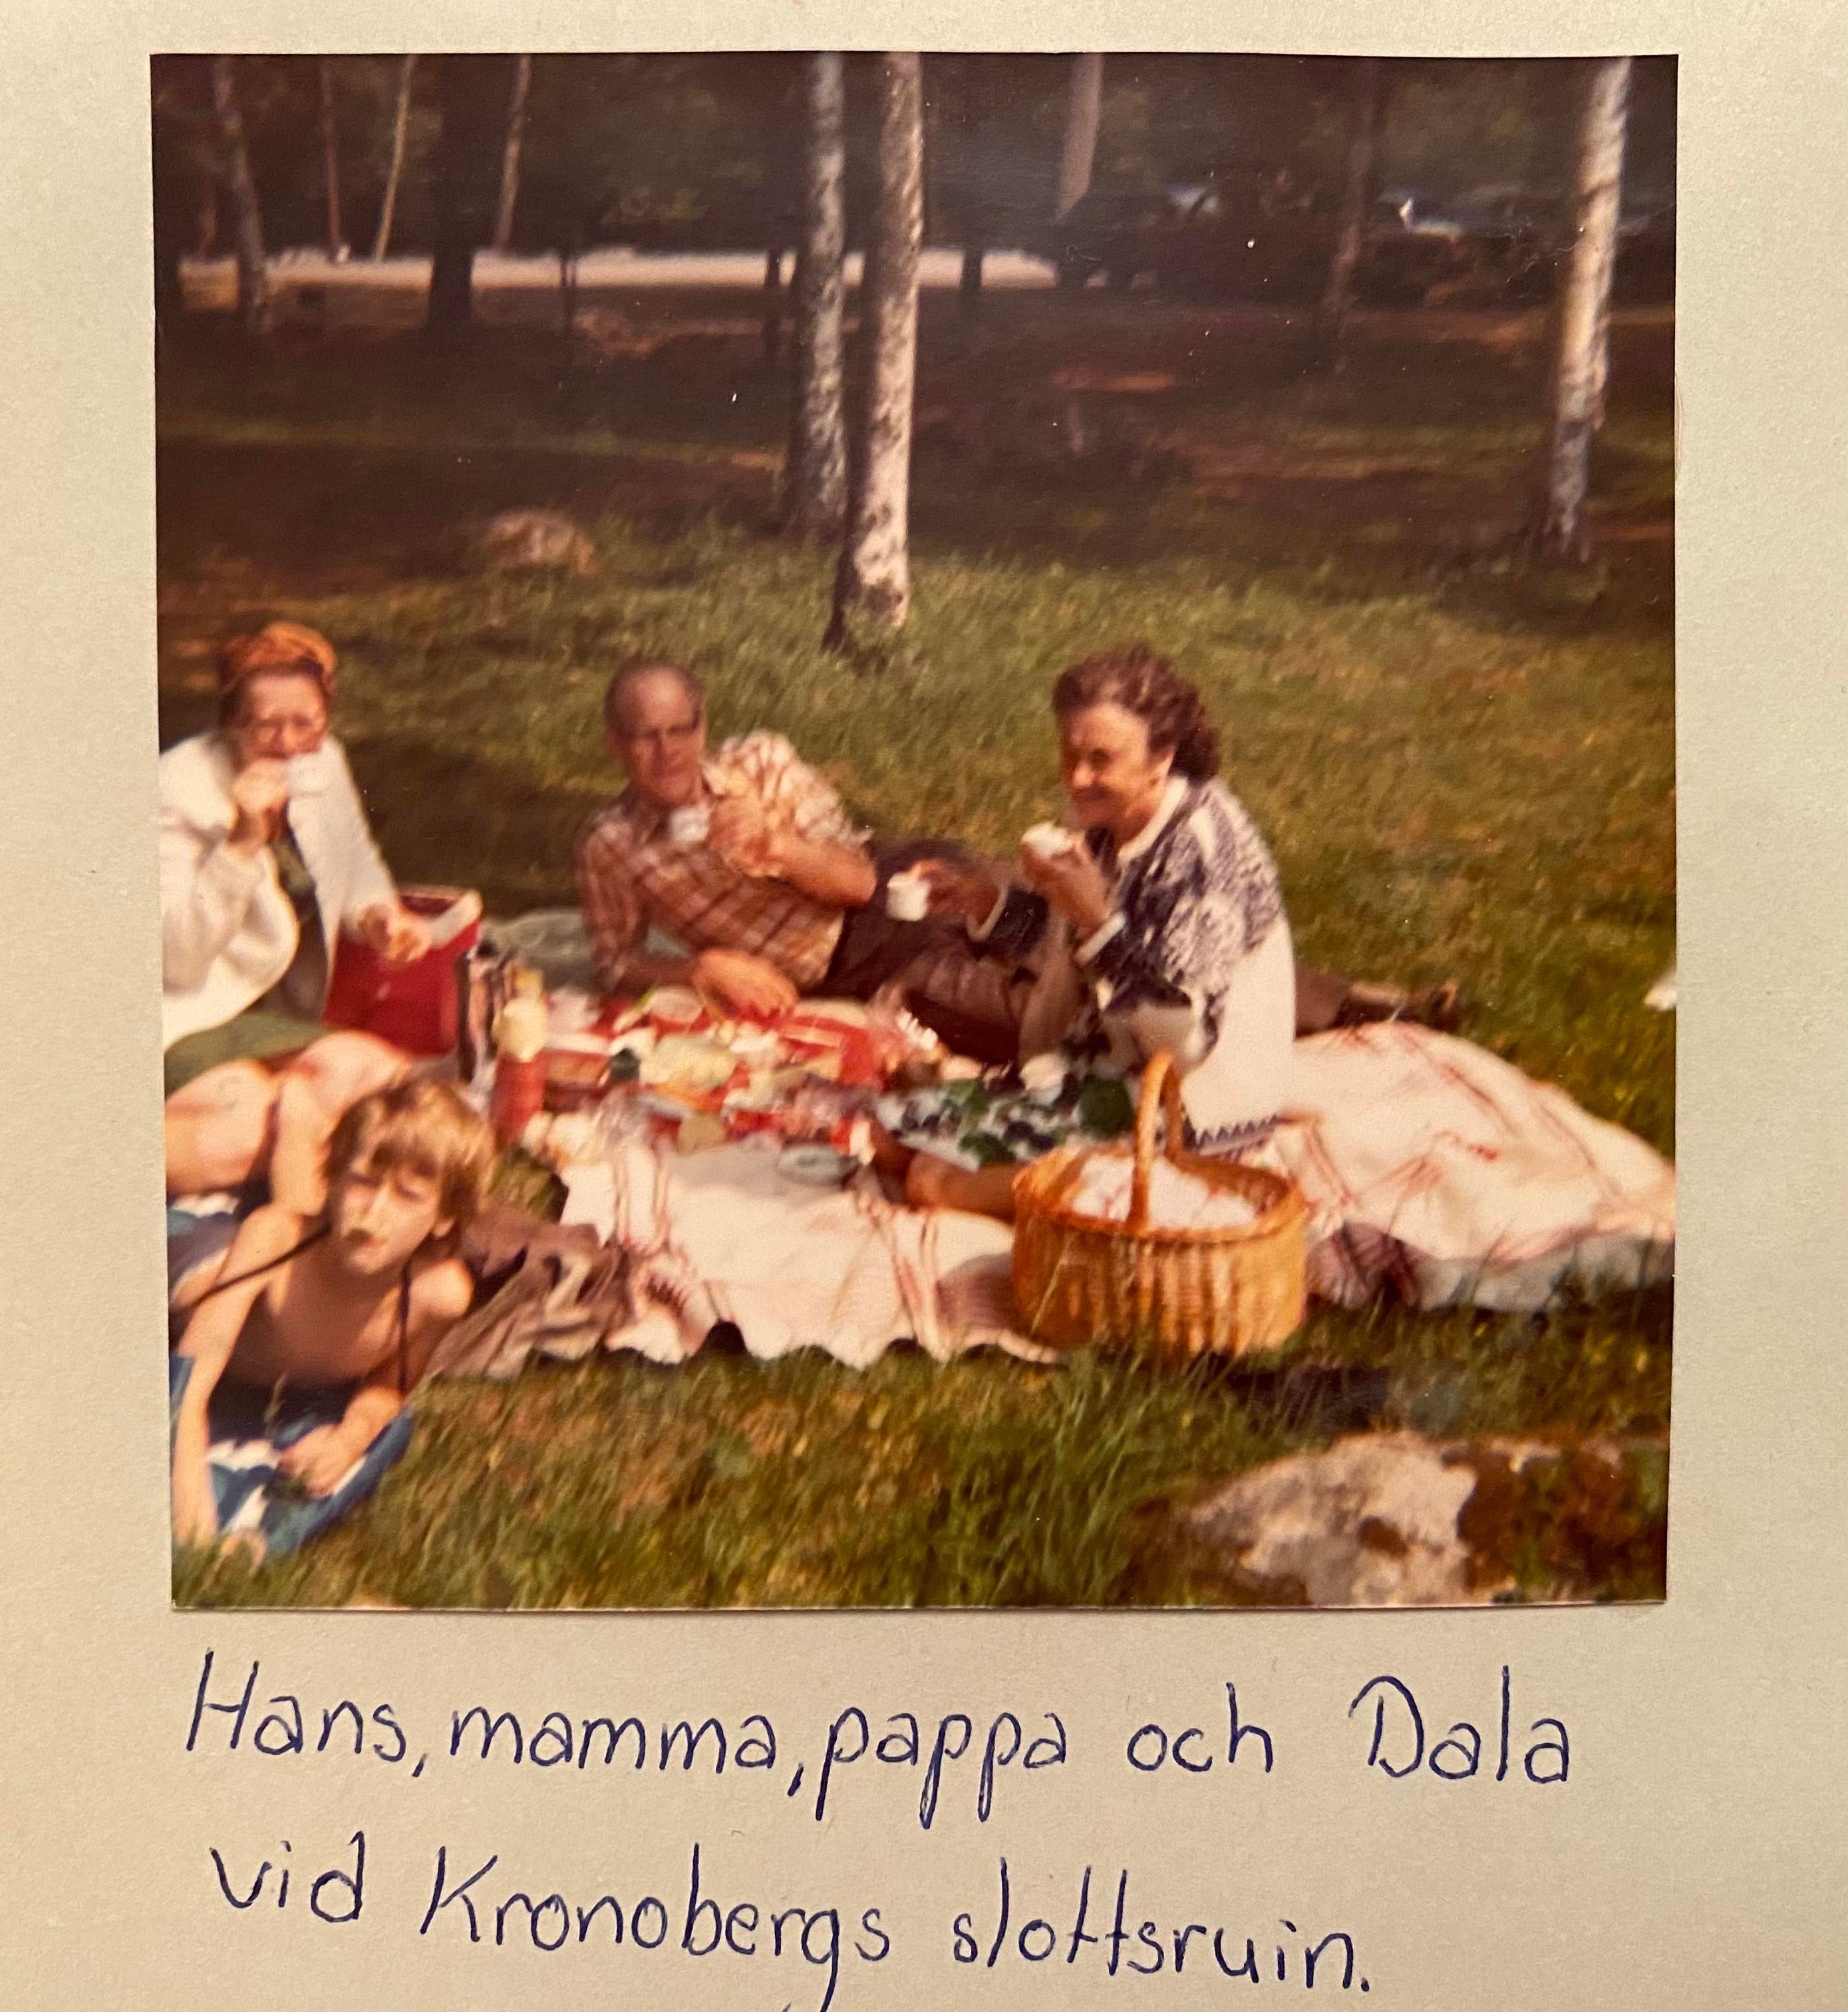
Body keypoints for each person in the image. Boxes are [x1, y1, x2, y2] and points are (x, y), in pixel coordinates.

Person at [575, 659, 1455, 1058]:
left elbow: (859, 881)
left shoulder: (761, 763)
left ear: (704, 723)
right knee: (1026, 1005)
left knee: (1067, 917)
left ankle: (1357, 1005)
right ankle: (1275, 1020)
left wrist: (772, 844)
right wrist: (702, 967)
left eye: (681, 729)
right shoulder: (610, 847)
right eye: (644, 738)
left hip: (893, 886)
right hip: (849, 965)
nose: (668, 753)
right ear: (615, 745)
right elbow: (613, 962)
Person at [887, 646, 1303, 1218]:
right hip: (1098, 1074)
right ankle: (1049, 1172)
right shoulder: (1110, 819)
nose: (1077, 778)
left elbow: (1184, 1046)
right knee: (889, 1138)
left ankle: (1099, 1193)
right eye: (1069, 753)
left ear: (1162, 758)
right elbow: (1065, 951)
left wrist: (1098, 922)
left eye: (1100, 760)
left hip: (1188, 1115)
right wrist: (983, 901)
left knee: (931, 1182)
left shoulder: (1202, 853)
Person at [161, 621, 434, 1209]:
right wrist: (242, 843)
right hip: (187, 1015)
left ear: (326, 716)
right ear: (230, 724)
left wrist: (378, 915)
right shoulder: (177, 791)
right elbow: (176, 958)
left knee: (387, 1079)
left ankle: (290, 1167)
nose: (287, 744)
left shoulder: (323, 760)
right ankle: (292, 1220)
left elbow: (354, 857)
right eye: (265, 726)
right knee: (270, 1121)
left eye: (305, 723)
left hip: (271, 1014)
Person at [169, 1077, 492, 1555]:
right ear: (336, 1179)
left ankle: (256, 1542)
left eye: (407, 1196)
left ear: (445, 1217)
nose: (374, 1212)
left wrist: (348, 1441)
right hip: (192, 1273)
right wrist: (194, 1529)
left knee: (390, 1432)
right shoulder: (273, 1239)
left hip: (279, 1372)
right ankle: (293, 1121)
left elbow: (391, 1385)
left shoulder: (437, 1296)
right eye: (362, 1181)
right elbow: (186, 1388)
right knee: (279, 1221)